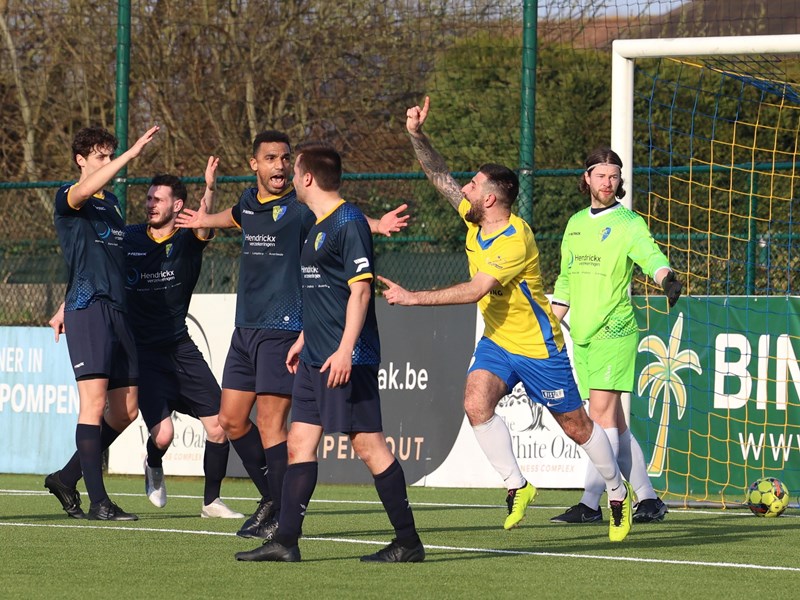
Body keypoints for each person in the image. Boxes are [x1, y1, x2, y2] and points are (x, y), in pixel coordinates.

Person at [378, 96, 633, 542]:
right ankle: (518, 485)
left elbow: (477, 288)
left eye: (474, 186)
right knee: (476, 403)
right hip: (497, 341)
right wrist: (416, 135)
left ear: (491, 197)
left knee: (576, 426)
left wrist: (414, 298)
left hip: (538, 347)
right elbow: (441, 179)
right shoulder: (478, 219)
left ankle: (617, 491)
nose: (466, 190)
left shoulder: (514, 240)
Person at [176, 131, 409, 539]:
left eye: (287, 159)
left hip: (286, 328)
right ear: (255, 165)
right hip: (246, 327)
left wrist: (378, 223)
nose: (281, 166)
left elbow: (345, 220)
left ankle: (283, 516)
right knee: (230, 421)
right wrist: (201, 218)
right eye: (272, 158)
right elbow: (232, 218)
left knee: (279, 427)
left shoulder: (304, 211)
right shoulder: (250, 202)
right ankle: (275, 503)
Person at [235, 143, 425, 563]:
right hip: (314, 357)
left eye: (294, 167)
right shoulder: (319, 223)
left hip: (347, 360)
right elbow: (324, 293)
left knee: (370, 447)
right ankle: (286, 541)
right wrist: (305, 338)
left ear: (306, 178)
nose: (288, 172)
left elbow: (360, 293)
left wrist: (343, 350)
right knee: (299, 443)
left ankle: (409, 542)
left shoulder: (349, 222)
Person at [47, 161, 247, 520]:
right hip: (143, 350)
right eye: (149, 198)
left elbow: (204, 229)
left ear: (177, 206)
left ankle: (211, 502)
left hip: (180, 347)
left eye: (159, 199)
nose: (151, 204)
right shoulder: (130, 236)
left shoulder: (188, 236)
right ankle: (152, 463)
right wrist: (65, 305)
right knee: (164, 434)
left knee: (220, 426)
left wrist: (211, 189)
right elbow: (95, 270)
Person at [548, 147, 682, 525]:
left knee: (598, 417)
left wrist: (666, 279)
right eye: (601, 175)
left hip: (616, 329)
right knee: (615, 424)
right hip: (584, 335)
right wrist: (549, 321)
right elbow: (566, 280)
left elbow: (650, 256)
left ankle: (591, 502)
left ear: (620, 181)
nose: (608, 182)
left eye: (614, 176)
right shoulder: (574, 224)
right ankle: (649, 500)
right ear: (587, 178)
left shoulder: (628, 223)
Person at [45, 124, 159, 521]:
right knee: (92, 404)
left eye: (111, 156)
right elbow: (81, 260)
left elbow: (93, 260)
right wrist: (130, 156)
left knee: (126, 410)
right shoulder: (68, 197)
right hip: (88, 308)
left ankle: (65, 476)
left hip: (117, 310)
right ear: (81, 160)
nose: (108, 163)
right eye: (101, 157)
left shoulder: (111, 202)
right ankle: (99, 501)